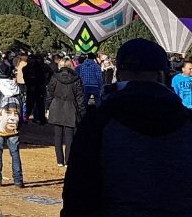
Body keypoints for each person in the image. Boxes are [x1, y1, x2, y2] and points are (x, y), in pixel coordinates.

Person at [62, 38, 192, 217]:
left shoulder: (98, 122)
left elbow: (78, 194)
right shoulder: (187, 121)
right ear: (162, 75)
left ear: (120, 74)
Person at [47, 55, 84, 168]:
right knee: (70, 137)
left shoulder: (54, 77)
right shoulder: (76, 78)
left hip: (56, 106)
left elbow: (50, 93)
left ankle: (59, 161)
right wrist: (82, 112)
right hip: (71, 108)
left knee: (57, 136)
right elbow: (80, 97)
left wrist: (47, 107)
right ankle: (68, 161)